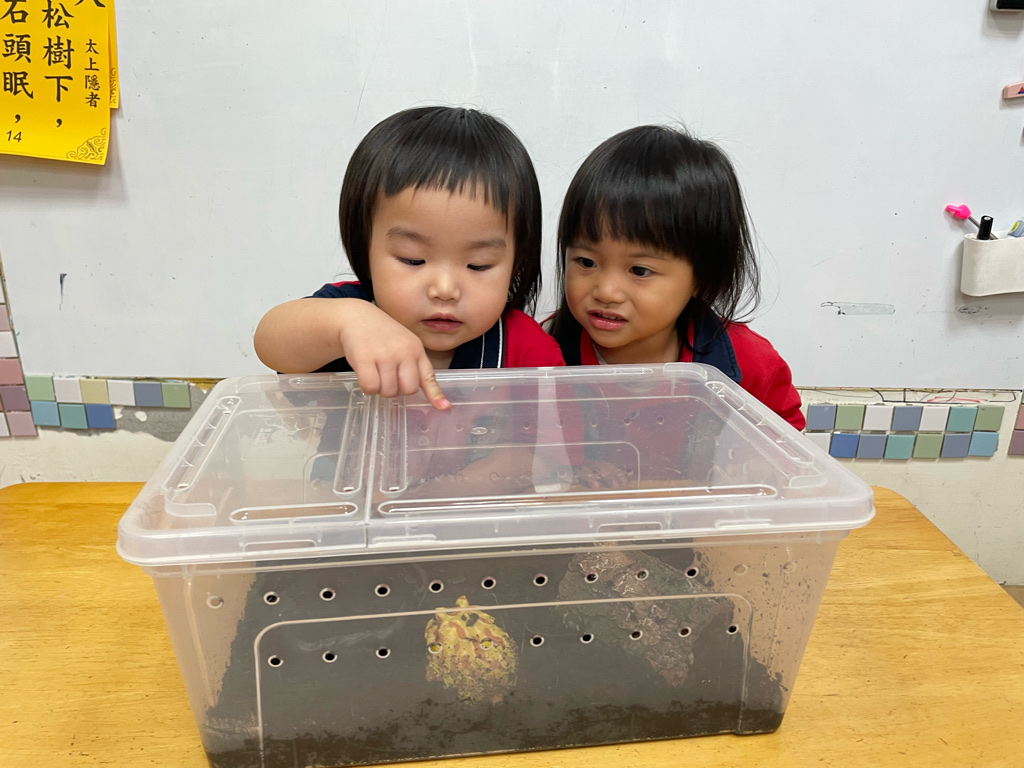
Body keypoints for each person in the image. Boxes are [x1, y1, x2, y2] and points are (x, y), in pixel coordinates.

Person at [255, 106, 564, 411]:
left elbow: (559, 428)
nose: (444, 289)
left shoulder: (524, 348)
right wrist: (347, 325)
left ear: (516, 263)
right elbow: (270, 342)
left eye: (478, 264)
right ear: (365, 247)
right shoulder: (349, 311)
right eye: (412, 260)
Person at [546, 125, 805, 430]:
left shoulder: (751, 364)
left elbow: (787, 441)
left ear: (702, 277)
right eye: (586, 262)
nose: (606, 291)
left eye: (639, 270)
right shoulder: (542, 351)